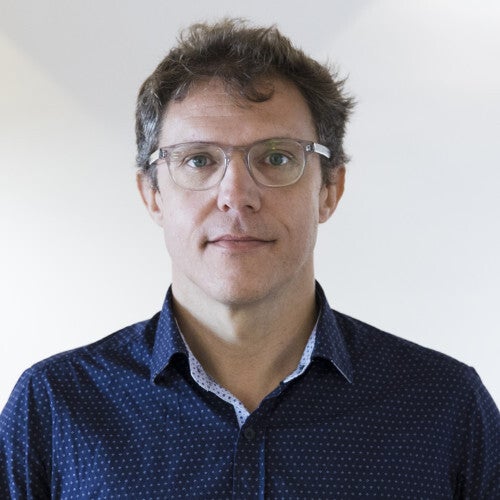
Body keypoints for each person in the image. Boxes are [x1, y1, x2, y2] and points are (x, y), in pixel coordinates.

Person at [1, 18, 499, 499]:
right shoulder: (53, 408)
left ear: (329, 189)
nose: (236, 196)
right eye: (198, 160)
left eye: (277, 157)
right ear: (152, 195)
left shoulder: (447, 408)